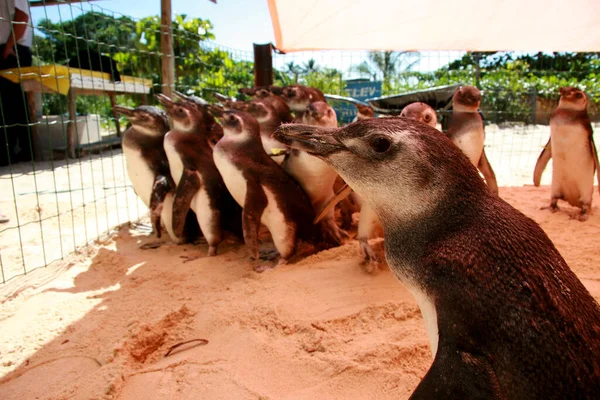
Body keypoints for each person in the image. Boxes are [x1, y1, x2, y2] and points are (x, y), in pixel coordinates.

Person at [0, 0, 33, 168]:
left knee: (12, 102)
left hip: (13, 49)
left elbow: (22, 16)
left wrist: (8, 45)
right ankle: (10, 151)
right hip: (8, 47)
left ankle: (18, 151)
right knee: (7, 103)